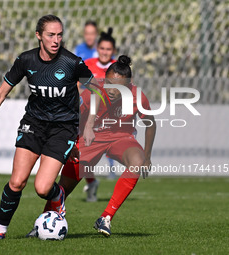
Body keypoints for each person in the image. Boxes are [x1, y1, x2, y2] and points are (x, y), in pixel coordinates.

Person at [0, 14, 96, 240]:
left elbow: (94, 91)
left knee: (42, 188)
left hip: (63, 128)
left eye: (60, 35)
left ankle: (57, 195)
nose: (56, 40)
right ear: (38, 36)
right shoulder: (26, 60)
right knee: (17, 181)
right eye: (51, 35)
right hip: (33, 124)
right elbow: (2, 92)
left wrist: (88, 126)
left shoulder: (72, 62)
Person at [27, 55, 156, 238]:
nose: (111, 89)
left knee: (137, 160)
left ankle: (105, 217)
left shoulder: (137, 96)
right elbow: (73, 119)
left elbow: (150, 123)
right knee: (65, 186)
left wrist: (148, 157)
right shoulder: (92, 93)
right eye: (109, 83)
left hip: (121, 138)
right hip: (90, 139)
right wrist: (71, 143)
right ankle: (42, 223)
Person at [82, 27, 118, 201]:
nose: (104, 52)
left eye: (108, 49)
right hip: (87, 116)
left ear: (114, 51)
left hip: (107, 118)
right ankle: (92, 181)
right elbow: (77, 86)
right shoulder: (87, 64)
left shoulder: (118, 69)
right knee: (81, 155)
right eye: (102, 48)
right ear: (97, 48)